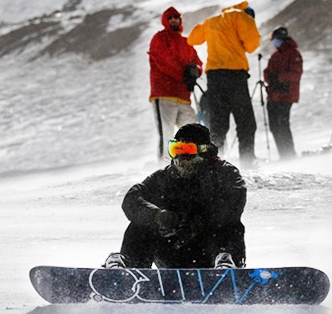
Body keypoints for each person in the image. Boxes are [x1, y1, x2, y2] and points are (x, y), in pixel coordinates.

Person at [104, 124, 247, 269]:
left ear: (204, 152)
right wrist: (158, 216)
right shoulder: (164, 177)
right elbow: (132, 199)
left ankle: (227, 264)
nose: (180, 158)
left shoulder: (224, 173)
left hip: (209, 251)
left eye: (187, 151)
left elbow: (234, 202)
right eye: (176, 150)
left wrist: (202, 220)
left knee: (232, 225)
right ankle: (130, 268)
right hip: (174, 251)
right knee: (141, 223)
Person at [187, 2, 261, 169]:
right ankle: (248, 163)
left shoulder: (212, 20)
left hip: (214, 78)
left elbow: (193, 39)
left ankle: (211, 165)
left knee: (218, 125)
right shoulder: (241, 16)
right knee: (246, 123)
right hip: (235, 76)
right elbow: (252, 44)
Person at [149, 7, 203, 165]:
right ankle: (163, 166)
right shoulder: (159, 38)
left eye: (176, 17)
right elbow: (164, 61)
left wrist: (195, 71)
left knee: (192, 130)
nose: (173, 20)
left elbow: (197, 63)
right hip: (164, 93)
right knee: (166, 133)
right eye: (170, 17)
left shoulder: (186, 43)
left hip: (184, 97)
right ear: (165, 20)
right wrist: (184, 75)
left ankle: (194, 163)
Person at [263, 27, 303, 160]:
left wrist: (279, 78)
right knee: (274, 126)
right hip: (273, 95)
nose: (273, 42)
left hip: (285, 96)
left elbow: (296, 74)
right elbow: (267, 71)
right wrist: (271, 78)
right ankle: (284, 155)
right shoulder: (276, 55)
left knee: (282, 125)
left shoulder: (293, 53)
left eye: (273, 39)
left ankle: (289, 155)